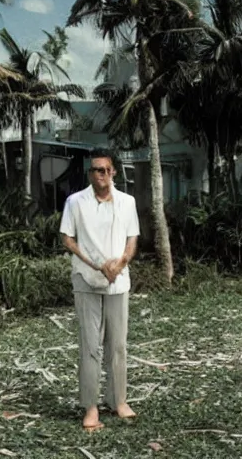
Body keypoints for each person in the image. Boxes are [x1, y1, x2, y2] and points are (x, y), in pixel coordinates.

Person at [59, 148, 140, 432]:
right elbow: (67, 239)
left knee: (117, 345)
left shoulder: (127, 202)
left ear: (114, 171)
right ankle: (91, 407)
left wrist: (120, 263)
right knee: (90, 346)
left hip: (119, 281)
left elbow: (132, 240)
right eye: (96, 170)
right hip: (86, 281)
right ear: (90, 173)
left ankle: (119, 400)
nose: (101, 175)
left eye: (106, 169)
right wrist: (95, 264)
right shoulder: (75, 202)